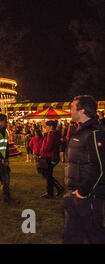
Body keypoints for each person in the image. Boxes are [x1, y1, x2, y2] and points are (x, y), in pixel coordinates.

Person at [63, 95, 105, 244]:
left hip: (87, 197)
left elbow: (99, 167)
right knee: (71, 236)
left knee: (96, 235)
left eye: (72, 107)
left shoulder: (95, 133)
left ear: (81, 110)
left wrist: (83, 192)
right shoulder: (78, 131)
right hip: (73, 194)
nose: (70, 110)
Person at [39, 120, 64, 198]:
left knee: (48, 175)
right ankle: (54, 190)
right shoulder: (54, 134)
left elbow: (48, 147)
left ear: (50, 127)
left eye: (46, 126)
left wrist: (42, 149)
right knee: (48, 175)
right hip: (53, 156)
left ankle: (53, 191)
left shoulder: (51, 135)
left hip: (50, 156)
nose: (45, 128)